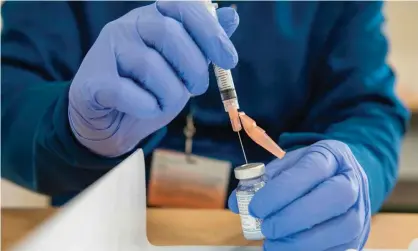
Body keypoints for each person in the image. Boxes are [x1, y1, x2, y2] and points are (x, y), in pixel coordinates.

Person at [1, 1, 410, 250]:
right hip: (99, 232)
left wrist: (353, 171)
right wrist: (72, 125)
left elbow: (366, 107)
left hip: (273, 235)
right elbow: (9, 92)